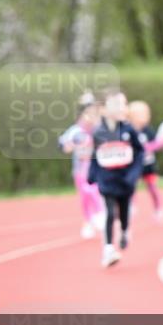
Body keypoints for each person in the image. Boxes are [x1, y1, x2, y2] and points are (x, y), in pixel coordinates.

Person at [88, 91, 144, 268]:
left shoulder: (129, 130)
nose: (121, 108)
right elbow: (94, 155)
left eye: (123, 104)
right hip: (107, 181)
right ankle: (108, 249)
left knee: (124, 212)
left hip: (126, 180)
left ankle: (125, 231)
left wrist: (133, 175)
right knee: (110, 213)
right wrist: (92, 175)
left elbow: (140, 153)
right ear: (104, 109)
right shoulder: (99, 133)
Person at [58, 94, 104, 239]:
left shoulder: (99, 129)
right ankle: (88, 222)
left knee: (94, 190)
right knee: (84, 196)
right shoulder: (75, 131)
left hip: (96, 169)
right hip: (80, 169)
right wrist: (70, 145)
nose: (90, 117)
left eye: (94, 114)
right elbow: (63, 145)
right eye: (88, 114)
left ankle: (99, 213)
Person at [128, 100, 163, 223]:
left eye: (145, 114)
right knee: (131, 185)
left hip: (148, 165)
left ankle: (158, 208)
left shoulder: (148, 130)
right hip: (133, 165)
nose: (144, 117)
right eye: (140, 114)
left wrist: (147, 148)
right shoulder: (128, 130)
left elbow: (157, 143)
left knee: (152, 187)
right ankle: (131, 206)